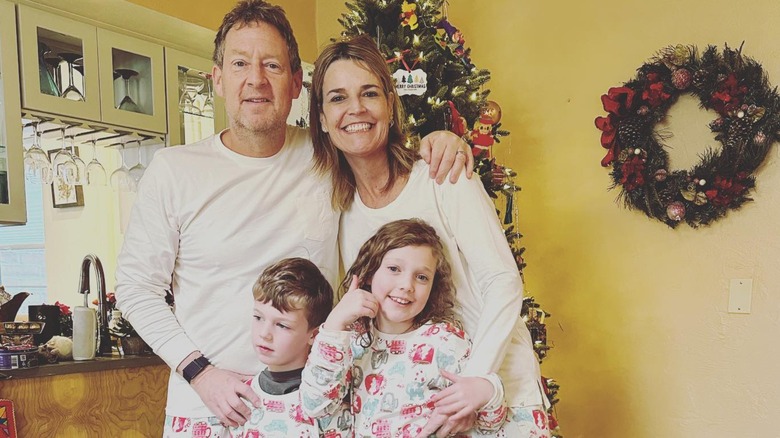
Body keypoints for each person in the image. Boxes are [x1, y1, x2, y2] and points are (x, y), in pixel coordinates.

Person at [114, 0, 472, 435]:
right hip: (207, 409)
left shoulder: (326, 154)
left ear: (298, 83)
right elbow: (135, 290)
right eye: (240, 63)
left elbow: (378, 149)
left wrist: (442, 138)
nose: (256, 80)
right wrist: (200, 373)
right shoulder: (174, 171)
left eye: (273, 65)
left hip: (309, 407)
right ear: (218, 79)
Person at [309, 34, 551, 438]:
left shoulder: (442, 174)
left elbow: (502, 280)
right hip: (416, 412)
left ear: (390, 104)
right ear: (320, 117)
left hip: (497, 395)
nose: (355, 109)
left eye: (369, 93)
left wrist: (472, 386)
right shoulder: (342, 212)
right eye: (337, 98)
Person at [301, 219, 507, 437]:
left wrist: (488, 391)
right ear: (369, 274)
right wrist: (335, 323)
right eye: (394, 269)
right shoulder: (348, 339)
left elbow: (489, 424)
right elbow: (315, 405)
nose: (407, 286)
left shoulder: (446, 341)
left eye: (421, 277)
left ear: (433, 287)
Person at [226, 257, 351, 438]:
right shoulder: (243, 398)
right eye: (258, 318)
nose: (264, 334)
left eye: (282, 325)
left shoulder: (331, 393)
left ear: (314, 335)